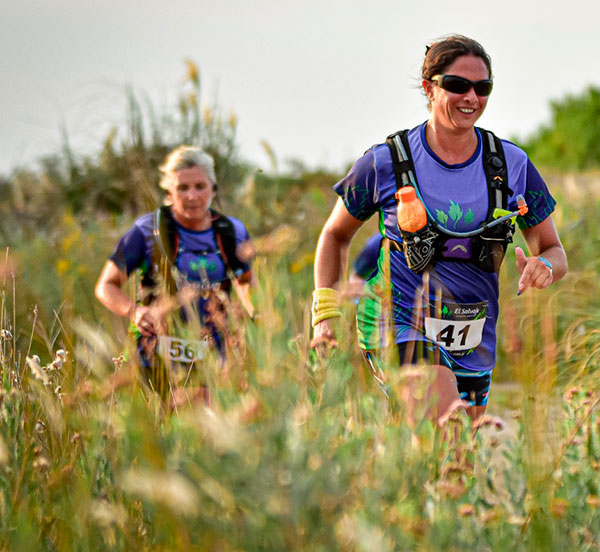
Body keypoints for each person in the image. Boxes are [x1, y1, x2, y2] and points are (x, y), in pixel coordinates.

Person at [312, 35, 567, 423]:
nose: (471, 97)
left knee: (450, 465)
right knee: (448, 432)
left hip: (474, 335)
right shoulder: (385, 163)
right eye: (457, 85)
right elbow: (335, 235)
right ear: (430, 87)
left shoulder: (511, 163)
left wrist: (544, 267)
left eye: (483, 88)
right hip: (397, 322)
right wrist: (325, 315)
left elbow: (552, 249)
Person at [95, 145, 254, 404]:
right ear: (169, 191)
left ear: (213, 188)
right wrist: (134, 311)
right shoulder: (147, 231)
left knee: (209, 430)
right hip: (157, 354)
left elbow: (247, 284)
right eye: (182, 188)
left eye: (200, 187)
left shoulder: (231, 231)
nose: (192, 196)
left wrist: (252, 323)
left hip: (214, 354)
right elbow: (106, 286)